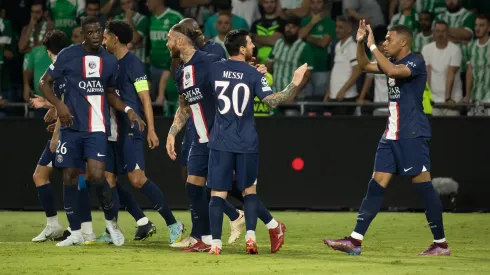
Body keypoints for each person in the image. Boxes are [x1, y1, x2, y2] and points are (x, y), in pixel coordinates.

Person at [323, 21, 450, 256]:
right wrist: (361, 43)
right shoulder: (390, 62)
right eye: (383, 40)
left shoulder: (415, 62)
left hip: (411, 134)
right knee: (376, 183)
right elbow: (362, 65)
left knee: (423, 187)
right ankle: (355, 240)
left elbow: (393, 72)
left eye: (388, 39)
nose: (384, 43)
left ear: (404, 42)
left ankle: (441, 244)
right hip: (390, 135)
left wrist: (372, 46)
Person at [38, 16, 144, 246]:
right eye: (91, 32)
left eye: (99, 31)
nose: (96, 36)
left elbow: (110, 93)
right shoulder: (68, 55)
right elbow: (43, 82)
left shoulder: (109, 61)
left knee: (97, 177)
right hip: (71, 127)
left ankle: (111, 224)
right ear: (84, 34)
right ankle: (75, 232)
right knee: (69, 176)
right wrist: (59, 105)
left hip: (97, 128)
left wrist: (128, 110)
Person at [205, 29, 307, 255]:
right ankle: (251, 239)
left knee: (217, 194)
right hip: (246, 141)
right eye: (250, 43)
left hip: (220, 140)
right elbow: (271, 102)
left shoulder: (215, 68)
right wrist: (294, 83)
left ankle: (215, 244)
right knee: (249, 191)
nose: (253, 46)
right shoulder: (254, 74)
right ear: (242, 49)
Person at [99, 19, 184, 244]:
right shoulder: (107, 62)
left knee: (137, 179)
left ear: (115, 38)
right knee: (108, 181)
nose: (103, 40)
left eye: (106, 36)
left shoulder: (133, 63)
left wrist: (152, 130)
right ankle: (112, 230)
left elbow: (145, 99)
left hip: (130, 129)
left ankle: (173, 223)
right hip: (110, 130)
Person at [168, 18, 247, 249]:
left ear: (181, 41)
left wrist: (253, 70)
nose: (167, 45)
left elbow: (234, 79)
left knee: (218, 188)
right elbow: (184, 106)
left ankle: (264, 223)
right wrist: (172, 133)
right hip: (199, 139)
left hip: (218, 137)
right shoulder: (181, 71)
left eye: (170, 40)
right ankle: (201, 237)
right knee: (193, 186)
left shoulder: (210, 61)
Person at [30, 30, 69, 242]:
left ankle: (80, 228)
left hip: (68, 132)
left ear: (47, 51)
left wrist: (56, 135)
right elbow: (65, 100)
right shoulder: (69, 65)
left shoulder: (59, 70)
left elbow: (67, 103)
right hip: (73, 128)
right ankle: (55, 225)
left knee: (84, 179)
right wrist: (52, 106)